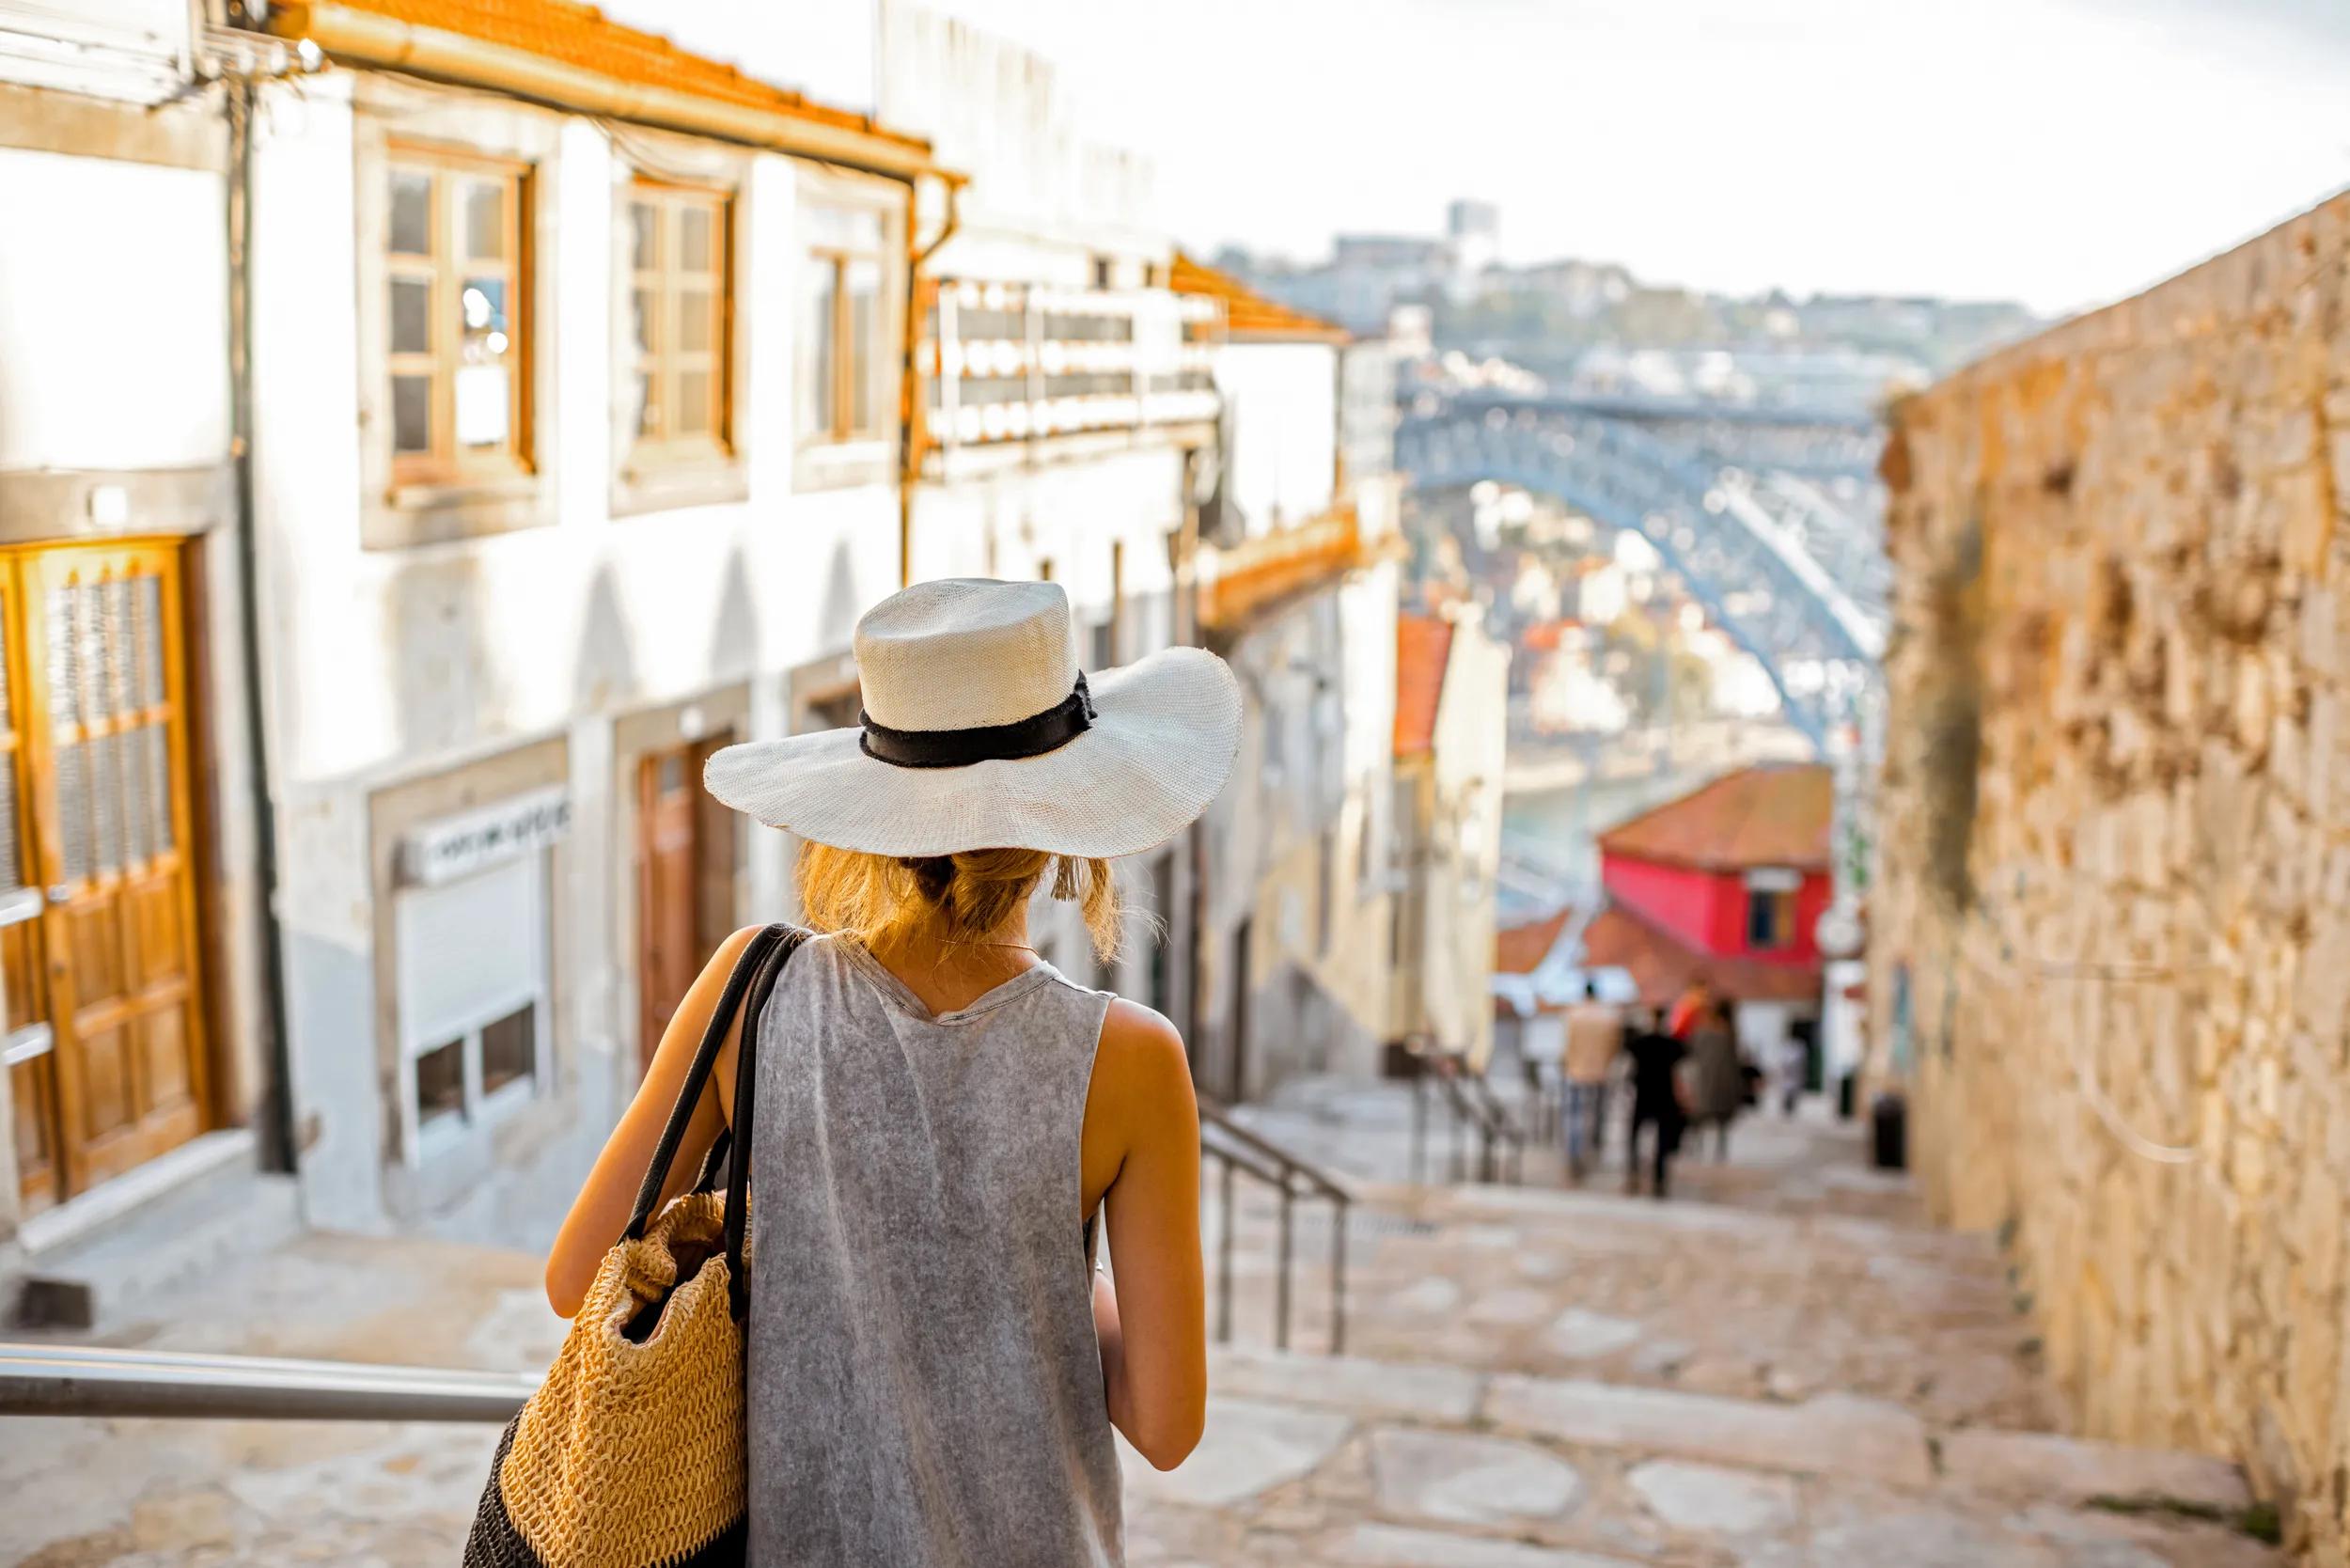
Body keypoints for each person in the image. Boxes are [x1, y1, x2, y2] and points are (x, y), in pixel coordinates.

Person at [544, 578, 1240, 1565]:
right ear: (1063, 820)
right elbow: (1166, 1424)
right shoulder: (1128, 1058)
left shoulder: (748, 993)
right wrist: (1026, 1254)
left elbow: (581, 1280)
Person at [1559, 980, 1623, 1181]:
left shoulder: (1573, 1015)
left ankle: (1574, 1152)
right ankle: (1592, 1150)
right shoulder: (1608, 1017)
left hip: (1575, 1071)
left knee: (1574, 1116)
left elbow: (1567, 1045)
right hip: (1599, 1072)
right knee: (1596, 1116)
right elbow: (1614, 1047)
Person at [1622, 1009, 1687, 1198]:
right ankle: (1658, 1178)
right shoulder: (1672, 1045)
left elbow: (1628, 1068)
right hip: (1663, 1097)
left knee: (1635, 1136)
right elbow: (1682, 1071)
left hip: (1644, 1095)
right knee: (1661, 1140)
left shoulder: (1639, 1043)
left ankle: (1634, 1171)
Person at [1685, 996, 1746, 1161]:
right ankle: (1717, 1152)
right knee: (1720, 1120)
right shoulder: (1729, 1032)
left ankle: (1699, 1150)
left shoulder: (1703, 1030)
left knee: (1701, 1117)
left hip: (1706, 1078)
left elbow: (1693, 1052)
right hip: (1722, 1079)